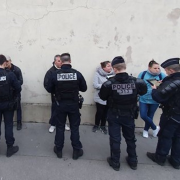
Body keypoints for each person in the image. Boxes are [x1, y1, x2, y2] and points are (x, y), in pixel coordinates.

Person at [99, 56, 147, 171]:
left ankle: (115, 162)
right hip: (129, 114)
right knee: (130, 138)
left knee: (115, 139)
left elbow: (102, 96)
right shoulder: (137, 82)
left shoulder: (109, 83)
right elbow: (143, 92)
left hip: (114, 114)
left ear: (115, 69)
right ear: (124, 67)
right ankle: (133, 161)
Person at [45, 53, 87, 160]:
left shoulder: (55, 74)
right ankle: (76, 151)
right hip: (73, 105)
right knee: (74, 128)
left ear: (61, 62)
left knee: (60, 127)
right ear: (70, 61)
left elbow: (49, 88)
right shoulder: (77, 74)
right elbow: (84, 88)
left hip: (60, 104)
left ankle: (59, 150)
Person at [147, 58, 180, 170]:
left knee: (166, 136)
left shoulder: (173, 81)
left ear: (171, 70)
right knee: (178, 137)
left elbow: (158, 97)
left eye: (166, 70)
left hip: (172, 114)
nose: (165, 72)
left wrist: (155, 89)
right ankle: (176, 161)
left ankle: (160, 158)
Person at [138, 60, 166, 138]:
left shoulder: (162, 75)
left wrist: (161, 84)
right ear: (149, 68)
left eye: (158, 68)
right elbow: (138, 84)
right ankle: (154, 127)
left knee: (150, 115)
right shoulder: (143, 74)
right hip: (143, 98)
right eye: (155, 68)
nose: (157, 70)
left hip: (155, 99)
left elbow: (166, 86)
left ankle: (146, 130)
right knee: (143, 115)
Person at [0, 54, 21, 157]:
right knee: (8, 125)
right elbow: (18, 88)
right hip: (8, 104)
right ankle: (9, 148)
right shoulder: (9, 74)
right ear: (4, 62)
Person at [44, 55, 70, 133]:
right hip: (56, 96)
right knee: (55, 110)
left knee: (64, 110)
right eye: (59, 61)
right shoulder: (51, 71)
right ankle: (53, 124)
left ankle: (64, 123)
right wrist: (54, 91)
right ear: (55, 61)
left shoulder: (66, 70)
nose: (60, 62)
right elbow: (46, 84)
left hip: (65, 95)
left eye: (61, 61)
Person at [92, 61, 114, 134]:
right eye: (108, 66)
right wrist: (105, 86)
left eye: (110, 66)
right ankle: (96, 125)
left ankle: (103, 126)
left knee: (106, 112)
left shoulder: (113, 74)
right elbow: (95, 85)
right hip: (100, 96)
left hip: (109, 97)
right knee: (99, 112)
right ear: (103, 67)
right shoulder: (97, 74)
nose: (110, 67)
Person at [6, 56, 23, 130]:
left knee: (18, 107)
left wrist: (14, 85)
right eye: (5, 61)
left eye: (7, 61)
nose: (6, 63)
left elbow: (21, 81)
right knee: (9, 108)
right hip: (7, 93)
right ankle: (10, 121)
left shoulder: (17, 69)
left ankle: (19, 122)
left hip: (15, 92)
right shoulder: (4, 70)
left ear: (10, 61)